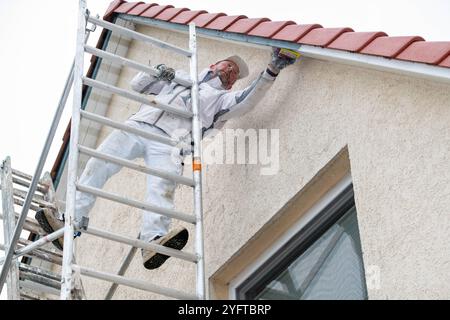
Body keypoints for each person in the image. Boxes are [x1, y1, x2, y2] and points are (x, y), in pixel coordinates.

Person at [35, 47, 299, 270]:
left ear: (231, 83)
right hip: (140, 124)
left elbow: (247, 100)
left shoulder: (221, 99)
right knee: (98, 163)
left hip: (172, 143)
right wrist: (158, 70)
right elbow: (137, 84)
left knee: (161, 189)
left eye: (234, 74)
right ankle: (70, 220)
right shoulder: (181, 77)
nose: (229, 72)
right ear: (213, 64)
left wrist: (271, 71)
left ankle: (152, 244)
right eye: (228, 65)